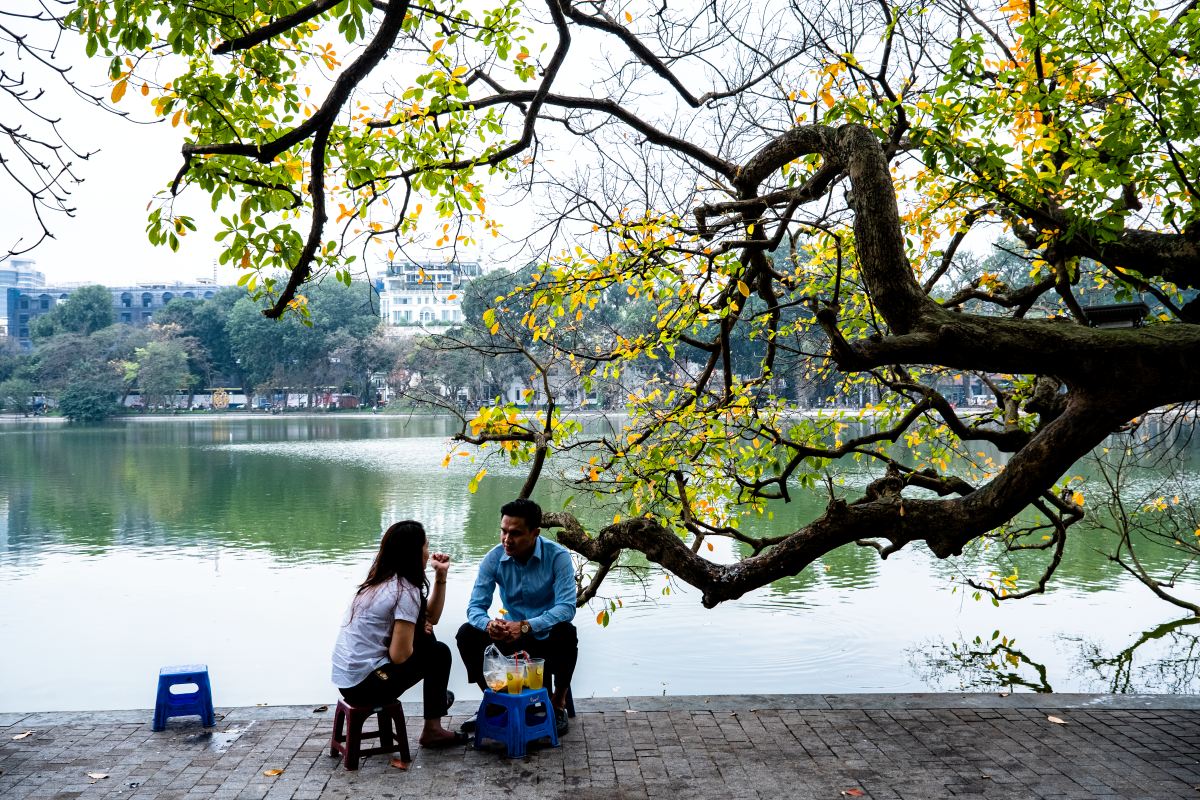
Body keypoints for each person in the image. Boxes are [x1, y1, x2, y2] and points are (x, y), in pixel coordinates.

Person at [331, 520, 467, 747]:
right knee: (439, 652)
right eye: (426, 546)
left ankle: (437, 704)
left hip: (348, 681)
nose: (428, 552)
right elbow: (400, 656)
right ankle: (433, 728)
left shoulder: (379, 580)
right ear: (414, 551)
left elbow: (430, 618)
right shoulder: (405, 591)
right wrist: (415, 631)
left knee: (428, 638)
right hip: (367, 685)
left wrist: (440, 577)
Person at [456, 498, 577, 737]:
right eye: (503, 531)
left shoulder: (558, 557)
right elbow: (474, 608)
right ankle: (493, 702)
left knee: (566, 632)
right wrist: (491, 625)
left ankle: (558, 704)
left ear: (535, 533)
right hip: (508, 639)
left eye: (516, 533)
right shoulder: (493, 558)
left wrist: (524, 626)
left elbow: (567, 607)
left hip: (544, 637)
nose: (506, 540)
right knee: (466, 633)